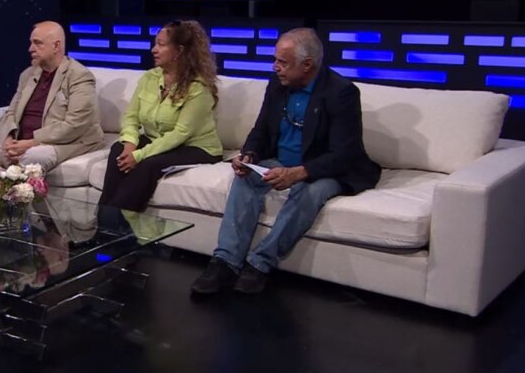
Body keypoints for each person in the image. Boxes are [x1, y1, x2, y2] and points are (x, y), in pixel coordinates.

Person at [190, 28, 381, 296]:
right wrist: (249, 155)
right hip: (280, 161)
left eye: (283, 62)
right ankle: (225, 262)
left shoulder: (341, 93)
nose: (275, 67)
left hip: (325, 169)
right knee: (245, 178)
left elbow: (343, 154)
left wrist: (300, 172)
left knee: (310, 191)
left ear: (307, 64)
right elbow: (261, 130)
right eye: (275, 60)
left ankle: (260, 264)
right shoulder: (277, 84)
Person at [98, 19, 223, 211]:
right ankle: (104, 219)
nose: (153, 50)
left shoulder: (198, 88)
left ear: (179, 51)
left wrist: (139, 155)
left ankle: (115, 221)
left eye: (161, 45)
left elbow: (180, 133)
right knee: (118, 150)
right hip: (158, 139)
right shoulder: (150, 77)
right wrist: (130, 144)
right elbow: (131, 116)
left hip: (194, 147)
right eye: (155, 44)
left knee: (149, 164)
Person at [0, 21, 103, 173]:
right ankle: (1, 188)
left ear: (56, 46)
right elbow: (11, 113)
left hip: (64, 143)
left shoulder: (79, 76)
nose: (30, 49)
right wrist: (9, 140)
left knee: (35, 155)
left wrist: (32, 143)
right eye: (31, 43)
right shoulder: (27, 75)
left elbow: (75, 124)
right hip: (23, 142)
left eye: (37, 43)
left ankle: (18, 187)